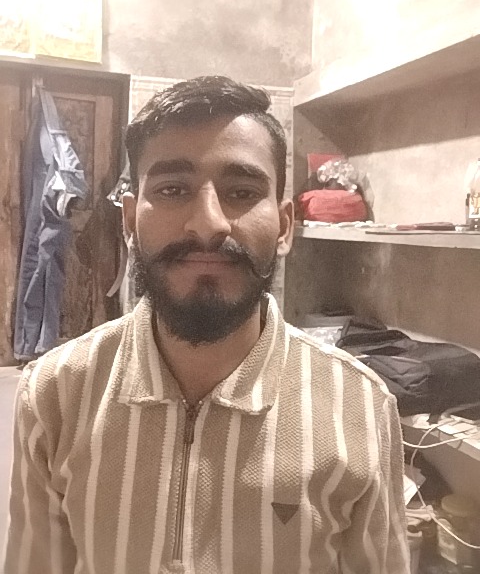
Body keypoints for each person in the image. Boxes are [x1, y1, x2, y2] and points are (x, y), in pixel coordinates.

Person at [3, 76, 410, 574]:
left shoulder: (361, 408)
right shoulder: (55, 394)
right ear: (129, 222)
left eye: (241, 191)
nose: (208, 223)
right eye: (172, 189)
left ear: (284, 226)